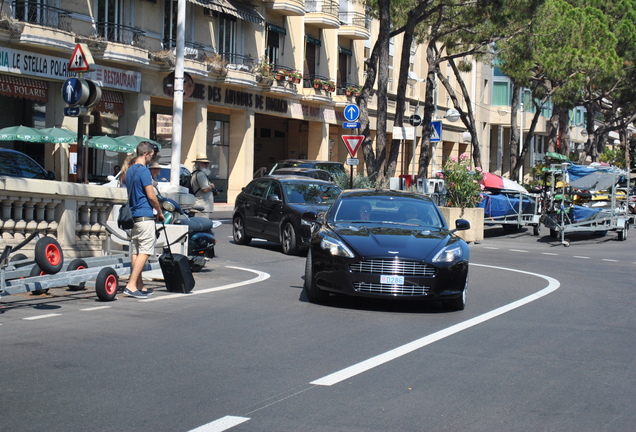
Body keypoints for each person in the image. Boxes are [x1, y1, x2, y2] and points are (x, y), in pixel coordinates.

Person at [124, 141, 165, 299]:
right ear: (146, 154)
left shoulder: (130, 171)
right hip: (145, 216)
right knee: (146, 251)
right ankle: (131, 285)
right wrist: (159, 211)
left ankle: (139, 285)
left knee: (136, 252)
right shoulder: (144, 171)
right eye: (151, 156)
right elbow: (151, 195)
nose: (151, 159)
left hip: (134, 217)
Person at [190, 153, 216, 219]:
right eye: (204, 163)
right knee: (202, 226)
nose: (206, 165)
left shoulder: (195, 173)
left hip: (200, 205)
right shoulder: (200, 174)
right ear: (198, 164)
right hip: (202, 207)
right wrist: (211, 186)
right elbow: (204, 189)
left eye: (207, 163)